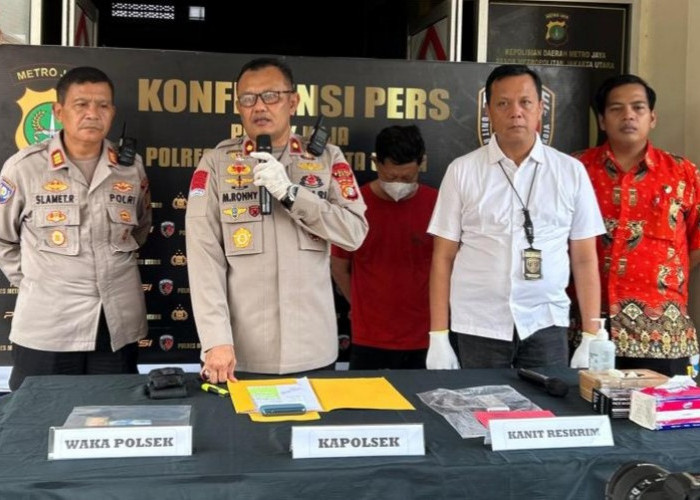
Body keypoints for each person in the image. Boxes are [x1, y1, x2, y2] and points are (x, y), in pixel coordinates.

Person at [186, 57, 368, 383]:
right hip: (242, 353)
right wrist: (216, 340)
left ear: (293, 102)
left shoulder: (327, 159)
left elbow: (354, 233)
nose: (259, 107)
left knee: (308, 435)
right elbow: (204, 260)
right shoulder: (216, 163)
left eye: (271, 96)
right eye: (247, 98)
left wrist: (290, 193)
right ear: (238, 106)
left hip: (313, 348)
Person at [426, 64, 605, 370]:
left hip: (546, 323)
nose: (515, 112)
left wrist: (591, 335)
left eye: (525, 102)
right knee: (480, 413)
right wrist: (438, 336)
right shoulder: (463, 171)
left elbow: (585, 258)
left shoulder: (570, 172)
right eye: (503, 103)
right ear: (489, 111)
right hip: (478, 325)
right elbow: (443, 257)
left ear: (540, 109)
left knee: (548, 414)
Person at [0, 66, 152, 390]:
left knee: (112, 421)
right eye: (81, 104)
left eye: (103, 105)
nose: (92, 114)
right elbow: (3, 239)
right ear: (59, 111)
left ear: (113, 112)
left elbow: (140, 230)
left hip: (115, 327)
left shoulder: (130, 168)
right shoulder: (24, 168)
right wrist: (38, 281)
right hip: (48, 325)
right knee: (38, 422)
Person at [574, 74, 700, 376]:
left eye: (638, 108)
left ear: (652, 117)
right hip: (586, 330)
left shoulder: (683, 173)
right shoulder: (575, 170)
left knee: (661, 420)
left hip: (664, 335)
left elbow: (696, 243)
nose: (628, 115)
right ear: (602, 121)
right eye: (616, 109)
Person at [330, 125, 437, 369]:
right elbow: (338, 266)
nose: (398, 183)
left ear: (421, 164)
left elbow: (449, 266)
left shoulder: (437, 203)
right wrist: (358, 304)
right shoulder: (355, 207)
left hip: (424, 334)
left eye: (407, 178)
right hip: (368, 335)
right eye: (390, 177)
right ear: (376, 163)